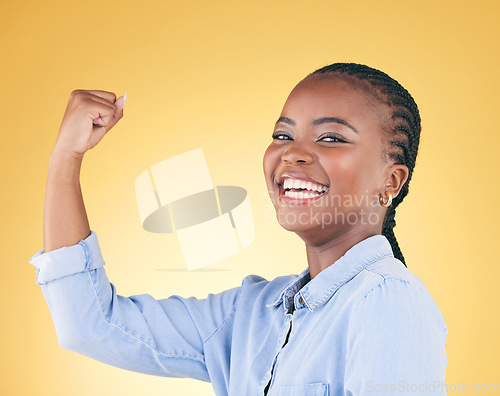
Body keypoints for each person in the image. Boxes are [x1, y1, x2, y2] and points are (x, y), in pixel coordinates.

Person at [30, 63, 448, 395]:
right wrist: (66, 159)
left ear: (390, 181)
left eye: (331, 138)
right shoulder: (249, 315)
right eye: (283, 134)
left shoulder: (386, 300)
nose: (293, 153)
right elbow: (92, 325)